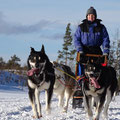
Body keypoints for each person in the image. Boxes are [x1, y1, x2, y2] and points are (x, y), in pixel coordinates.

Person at [74, 7, 110, 83]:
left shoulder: (101, 27)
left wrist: (105, 51)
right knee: (81, 64)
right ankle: (80, 84)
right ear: (87, 16)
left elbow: (105, 39)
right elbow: (76, 39)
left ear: (95, 16)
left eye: (93, 15)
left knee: (101, 65)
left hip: (96, 50)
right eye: (89, 15)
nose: (91, 17)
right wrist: (80, 50)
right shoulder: (81, 27)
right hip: (84, 50)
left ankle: (100, 82)